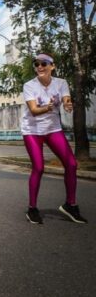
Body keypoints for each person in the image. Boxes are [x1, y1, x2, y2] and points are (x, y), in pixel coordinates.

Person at [21, 54, 86, 224]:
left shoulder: (61, 83)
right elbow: (34, 110)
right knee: (39, 167)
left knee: (71, 164)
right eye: (37, 64)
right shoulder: (29, 85)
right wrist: (47, 107)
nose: (40, 67)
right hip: (32, 130)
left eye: (44, 64)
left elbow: (66, 99)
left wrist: (67, 104)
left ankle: (70, 205)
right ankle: (32, 209)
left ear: (52, 66)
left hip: (52, 129)